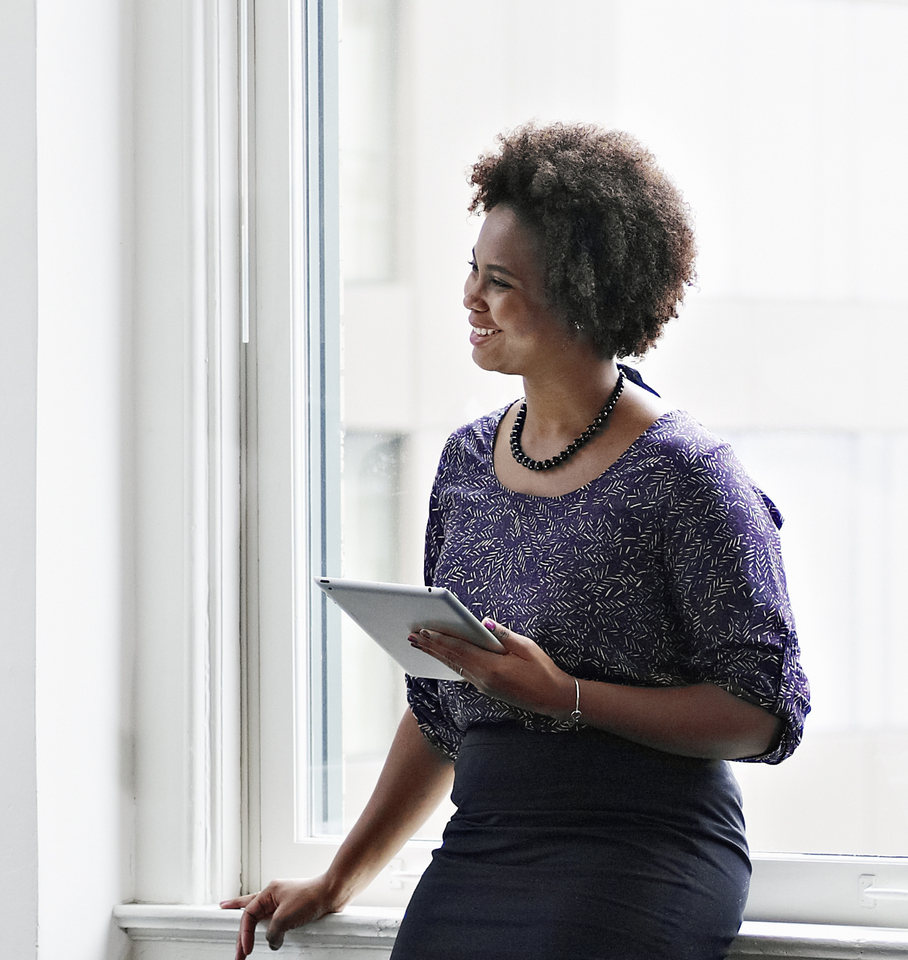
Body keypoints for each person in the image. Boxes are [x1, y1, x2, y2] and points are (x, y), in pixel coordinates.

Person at [225, 123, 809, 959]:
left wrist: (564, 694)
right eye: (473, 268)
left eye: (498, 281)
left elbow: (765, 713)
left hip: (640, 855)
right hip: (483, 848)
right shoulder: (466, 459)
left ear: (580, 294)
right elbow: (438, 705)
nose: (469, 296)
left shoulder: (690, 474)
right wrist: (336, 881)